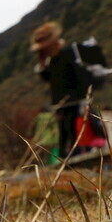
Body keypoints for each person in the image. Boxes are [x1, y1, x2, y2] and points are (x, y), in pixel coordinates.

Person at [30, 21, 104, 159]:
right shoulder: (51, 62)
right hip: (61, 105)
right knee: (64, 137)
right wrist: (42, 64)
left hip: (76, 102)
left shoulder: (69, 54)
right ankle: (66, 163)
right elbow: (48, 78)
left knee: (77, 135)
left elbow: (80, 77)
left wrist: (85, 101)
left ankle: (81, 162)